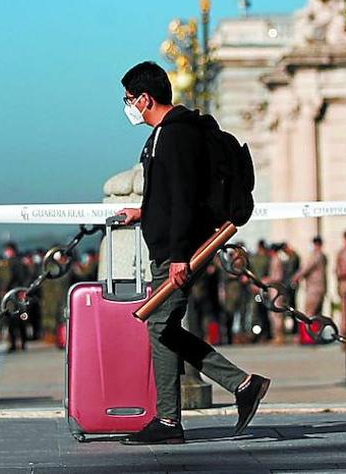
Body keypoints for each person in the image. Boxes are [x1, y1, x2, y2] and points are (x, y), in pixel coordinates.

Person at [116, 61, 268, 445]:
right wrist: (142, 212)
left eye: (130, 99)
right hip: (170, 245)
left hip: (178, 250)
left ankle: (171, 420)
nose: (128, 106)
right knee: (163, 326)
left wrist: (181, 254)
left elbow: (184, 196)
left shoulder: (175, 135)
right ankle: (241, 385)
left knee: (158, 325)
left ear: (146, 99)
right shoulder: (164, 135)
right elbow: (169, 195)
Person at [292, 236, 327, 319]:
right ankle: (317, 331)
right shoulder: (323, 256)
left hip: (314, 289)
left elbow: (306, 268)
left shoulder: (316, 255)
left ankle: (309, 332)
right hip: (319, 288)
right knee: (317, 315)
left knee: (309, 314)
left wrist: (295, 278)